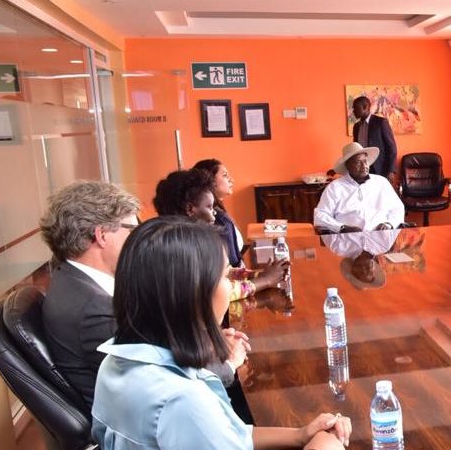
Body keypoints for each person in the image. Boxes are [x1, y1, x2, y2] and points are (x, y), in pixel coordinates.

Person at [93, 217, 353, 450]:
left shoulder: (120, 360)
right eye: (224, 277)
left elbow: (221, 436)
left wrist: (300, 434)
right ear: (192, 293)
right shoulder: (178, 401)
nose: (230, 287)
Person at [39, 181, 147, 409]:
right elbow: (151, 381)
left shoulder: (69, 279)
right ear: (102, 235)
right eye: (132, 230)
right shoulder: (94, 310)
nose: (138, 240)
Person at [153, 169, 288, 301]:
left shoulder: (182, 239)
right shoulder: (184, 248)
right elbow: (219, 292)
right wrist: (265, 280)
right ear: (190, 209)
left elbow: (224, 272)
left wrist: (259, 274)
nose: (215, 213)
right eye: (209, 207)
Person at [314, 142, 405, 234]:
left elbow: (398, 208)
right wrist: (342, 228)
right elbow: (320, 215)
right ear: (347, 165)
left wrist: (389, 224)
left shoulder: (382, 182)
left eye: (365, 161)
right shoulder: (335, 187)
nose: (364, 165)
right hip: (347, 239)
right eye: (358, 162)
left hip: (381, 237)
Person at [193, 158, 244, 267]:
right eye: (225, 175)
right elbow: (232, 264)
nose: (231, 180)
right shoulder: (218, 218)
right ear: (210, 181)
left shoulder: (219, 213)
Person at [351, 95, 398, 183]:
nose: (353, 111)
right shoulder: (356, 127)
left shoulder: (381, 122)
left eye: (355, 108)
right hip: (362, 168)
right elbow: (356, 149)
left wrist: (391, 170)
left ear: (365, 107)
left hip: (380, 169)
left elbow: (391, 147)